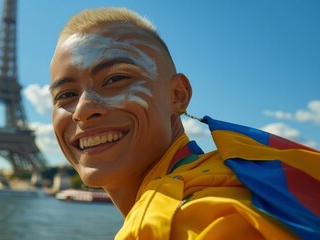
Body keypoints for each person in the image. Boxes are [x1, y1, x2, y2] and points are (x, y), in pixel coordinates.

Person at [48, 7, 320, 239]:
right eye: (66, 95)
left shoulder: (196, 218)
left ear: (178, 95)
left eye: (115, 79)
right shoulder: (235, 186)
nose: (82, 110)